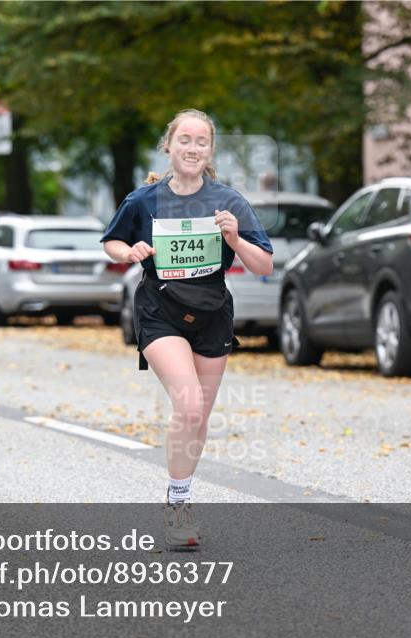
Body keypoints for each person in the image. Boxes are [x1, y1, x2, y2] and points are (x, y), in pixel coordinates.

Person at [101, 109, 273, 547]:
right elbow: (112, 241)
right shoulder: (145, 199)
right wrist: (130, 252)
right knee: (190, 405)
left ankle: (181, 492)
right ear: (169, 145)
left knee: (198, 419)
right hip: (161, 309)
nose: (193, 148)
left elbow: (264, 265)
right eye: (185, 140)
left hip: (212, 312)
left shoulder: (229, 200)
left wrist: (235, 239)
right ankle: (178, 507)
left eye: (201, 142)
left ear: (210, 150)